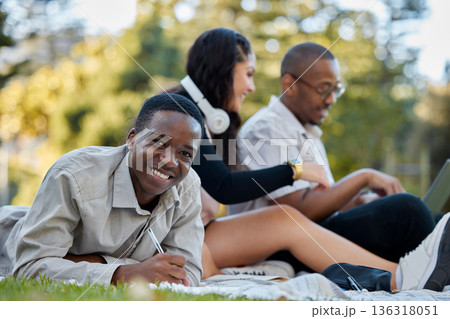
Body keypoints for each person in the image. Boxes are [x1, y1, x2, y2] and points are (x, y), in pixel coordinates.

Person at [168, 28, 450, 292]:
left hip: (204, 233)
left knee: (286, 218)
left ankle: (408, 274)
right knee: (402, 211)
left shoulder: (202, 121)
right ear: (224, 71)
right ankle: (402, 276)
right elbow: (225, 187)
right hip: (189, 237)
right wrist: (295, 170)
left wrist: (357, 197)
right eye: (249, 74)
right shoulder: (183, 115)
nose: (252, 86)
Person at [229, 42, 438, 268]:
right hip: (279, 246)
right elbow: (297, 211)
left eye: (336, 89)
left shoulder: (307, 131)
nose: (331, 99)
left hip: (314, 232)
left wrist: (365, 201)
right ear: (290, 85)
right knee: (407, 212)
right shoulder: (266, 129)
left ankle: (426, 273)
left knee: (431, 218)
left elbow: (325, 202)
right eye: (324, 89)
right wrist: (364, 177)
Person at [0, 93, 205, 286]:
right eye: (158, 143)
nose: (170, 161)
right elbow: (30, 267)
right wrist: (124, 273)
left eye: (185, 153)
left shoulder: (188, 185)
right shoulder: (74, 175)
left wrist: (96, 262)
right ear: (132, 139)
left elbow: (188, 275)